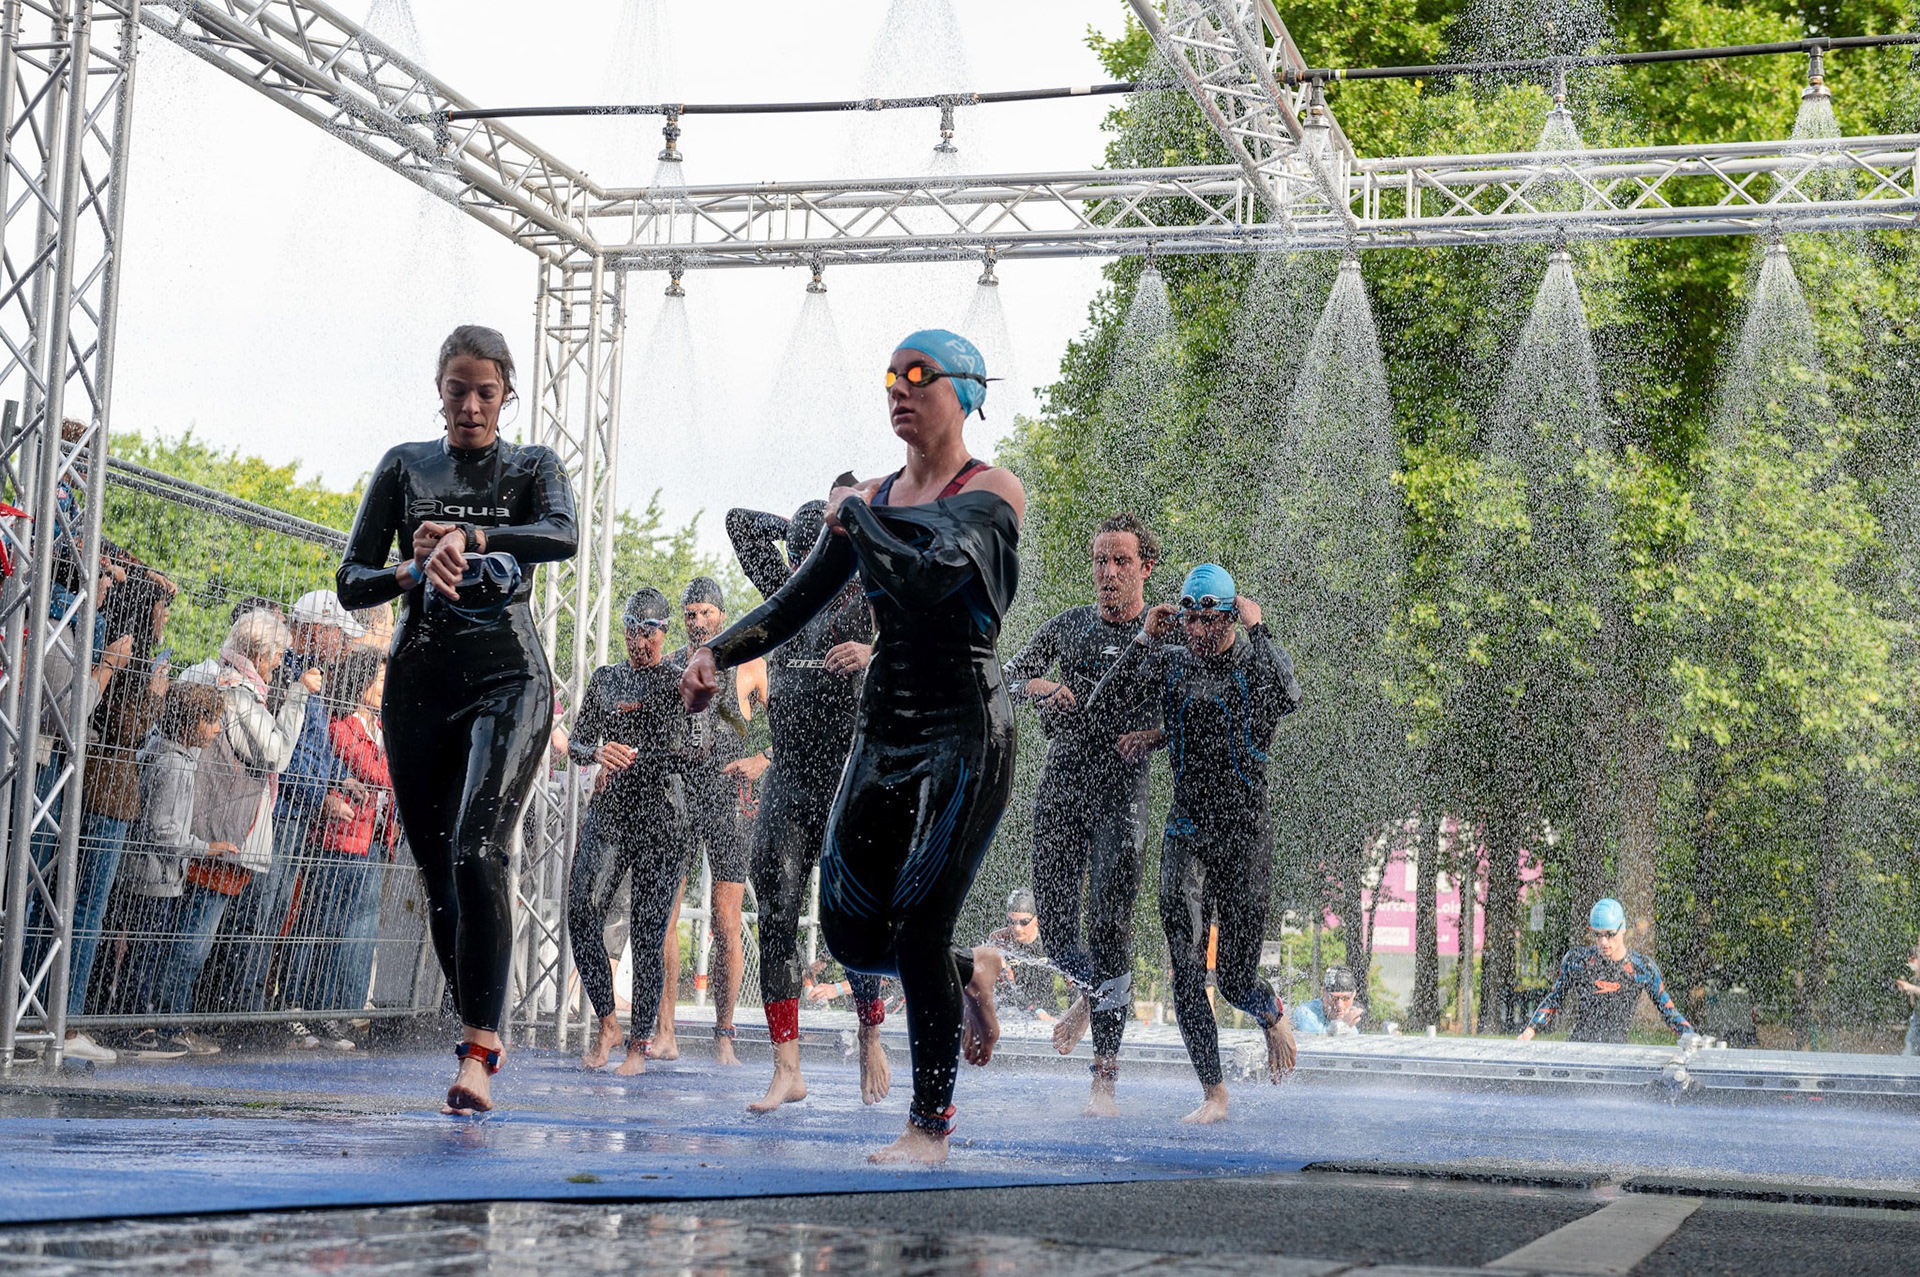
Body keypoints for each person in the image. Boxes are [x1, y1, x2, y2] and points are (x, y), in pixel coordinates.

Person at [684, 328, 1024, 1164]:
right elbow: (799, 598)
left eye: (919, 375)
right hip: (884, 727)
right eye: (891, 377)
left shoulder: (994, 490)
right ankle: (966, 970)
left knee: (914, 921)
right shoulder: (872, 497)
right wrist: (716, 653)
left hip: (965, 727)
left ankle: (929, 1125)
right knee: (849, 933)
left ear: (967, 391)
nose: (900, 389)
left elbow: (934, 576)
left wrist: (859, 519)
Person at [336, 324, 578, 1115]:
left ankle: (480, 1047)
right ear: (437, 392)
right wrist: (411, 564)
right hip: (420, 680)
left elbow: (561, 535)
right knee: (438, 871)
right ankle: (471, 1021)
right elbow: (350, 580)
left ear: (507, 392)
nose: (470, 407)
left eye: (485, 392)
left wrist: (472, 534)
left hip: (509, 678)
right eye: (456, 391)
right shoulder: (406, 466)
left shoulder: (532, 465)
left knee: (480, 849)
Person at [1086, 564, 1302, 1124]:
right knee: (1185, 968)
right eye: (1192, 620)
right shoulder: (1173, 659)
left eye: (1212, 620)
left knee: (1232, 979)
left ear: (1231, 617)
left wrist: (1265, 629)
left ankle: (1269, 1009)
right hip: (1187, 832)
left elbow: (1290, 693)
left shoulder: (1255, 665)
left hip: (1245, 836)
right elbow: (1102, 704)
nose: (1201, 632)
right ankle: (1214, 1094)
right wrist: (1142, 638)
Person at [726, 498, 890, 1112]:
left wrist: (874, 655)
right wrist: (808, 533)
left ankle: (871, 1030)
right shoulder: (786, 596)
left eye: (815, 558)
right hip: (789, 783)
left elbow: (923, 649)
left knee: (850, 920)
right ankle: (786, 1066)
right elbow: (740, 522)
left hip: (847, 782)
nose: (800, 570)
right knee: (775, 912)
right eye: (797, 559)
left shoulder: (868, 597)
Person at [1002, 512, 1160, 1116]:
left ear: (1145, 567)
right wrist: (1041, 688)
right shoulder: (1066, 628)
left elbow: (1191, 712)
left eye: (1121, 561)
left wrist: (1152, 733)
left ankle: (1104, 1078)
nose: (1108, 573)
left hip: (1123, 795)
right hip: (1063, 786)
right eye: (1100, 561)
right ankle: (1093, 995)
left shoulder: (1163, 633)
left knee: (1111, 928)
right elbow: (1002, 677)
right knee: (1060, 932)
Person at [154, 611, 316, 1045]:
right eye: (278, 653)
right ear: (259, 653)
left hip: (203, 824)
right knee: (193, 940)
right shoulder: (241, 695)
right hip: (221, 833)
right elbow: (277, 754)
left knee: (182, 932)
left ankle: (165, 1020)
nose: (281, 663)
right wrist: (298, 697)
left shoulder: (206, 673)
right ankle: (168, 1026)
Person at [566, 587, 698, 1077]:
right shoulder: (606, 680)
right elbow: (578, 743)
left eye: (649, 633)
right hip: (614, 809)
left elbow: (694, 752)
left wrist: (641, 757)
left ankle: (639, 1046)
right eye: (631, 632)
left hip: (664, 816)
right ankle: (607, 1022)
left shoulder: (679, 680)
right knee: (581, 909)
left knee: (647, 931)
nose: (638, 642)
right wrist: (599, 753)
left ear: (665, 634)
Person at [230, 588, 364, 1038]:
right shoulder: (288, 673)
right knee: (259, 911)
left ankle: (254, 1007)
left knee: (274, 911)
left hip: (298, 811)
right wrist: (320, 794)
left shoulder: (311, 676)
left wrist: (333, 783)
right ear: (315, 630)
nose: (345, 646)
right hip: (281, 809)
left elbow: (312, 748)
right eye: (338, 635)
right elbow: (285, 752)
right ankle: (242, 1009)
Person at [661, 578, 763, 1066]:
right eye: (690, 614)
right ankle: (664, 1031)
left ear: (721, 616)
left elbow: (796, 727)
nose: (698, 622)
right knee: (664, 916)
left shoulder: (748, 665)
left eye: (705, 613)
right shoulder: (670, 668)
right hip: (680, 798)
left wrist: (760, 760)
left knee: (726, 924)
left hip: (728, 800)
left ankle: (725, 1036)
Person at [120, 680, 232, 1058]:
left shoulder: (174, 756)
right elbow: (161, 827)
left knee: (145, 950)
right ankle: (135, 1026)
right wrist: (205, 848)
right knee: (144, 953)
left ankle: (138, 1021)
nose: (217, 730)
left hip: (157, 874)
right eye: (212, 721)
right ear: (191, 723)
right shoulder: (172, 762)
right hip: (153, 875)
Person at [293, 649, 394, 1039]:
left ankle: (334, 1009)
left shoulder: (381, 728)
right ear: (362, 682)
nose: (385, 687)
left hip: (371, 840)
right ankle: (304, 1006)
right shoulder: (342, 729)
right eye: (380, 679)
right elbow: (379, 776)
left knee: (351, 931)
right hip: (339, 841)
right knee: (323, 925)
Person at [1519, 898, 1693, 1044]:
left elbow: (1669, 1011)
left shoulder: (1642, 968)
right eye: (1597, 934)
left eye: (1609, 934)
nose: (1603, 942)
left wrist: (1691, 1037)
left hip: (1616, 1051)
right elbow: (1554, 1000)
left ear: (1622, 928)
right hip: (1579, 1048)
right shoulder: (1578, 961)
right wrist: (1528, 1032)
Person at [987, 889, 1060, 1023]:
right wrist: (1036, 1010)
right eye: (1012, 921)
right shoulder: (1000, 940)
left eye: (1024, 922)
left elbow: (1072, 981)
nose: (1017, 928)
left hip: (1049, 1013)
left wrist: (1076, 1015)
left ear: (1037, 919)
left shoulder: (1050, 941)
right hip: (1013, 1014)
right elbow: (1008, 985)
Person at [1291, 965, 1364, 1035]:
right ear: (1323, 993)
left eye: (1346, 998)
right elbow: (1313, 1045)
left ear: (1354, 994)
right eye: (1333, 998)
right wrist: (1342, 1027)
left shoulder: (1352, 1022)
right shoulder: (1305, 1013)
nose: (1339, 1006)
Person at [1897, 940, 1920, 1056]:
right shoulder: (1915, 974)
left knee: (1910, 1046)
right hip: (1918, 1017)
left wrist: (1910, 988)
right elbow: (1913, 1003)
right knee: (1910, 1044)